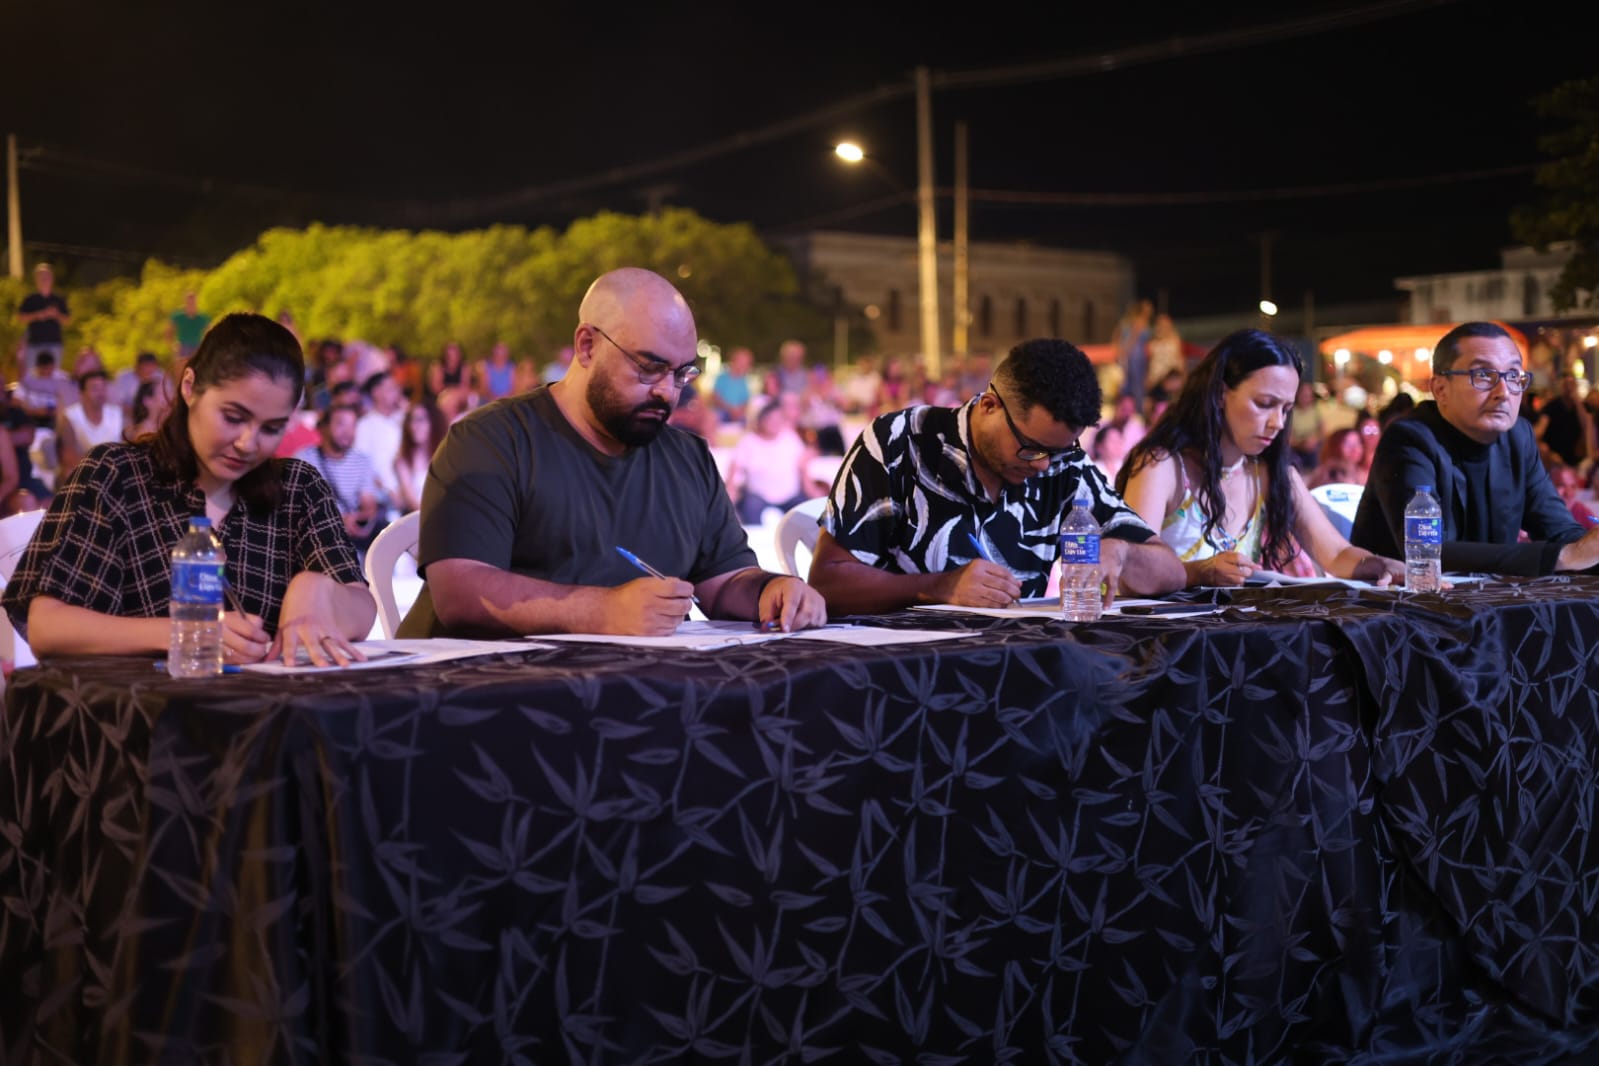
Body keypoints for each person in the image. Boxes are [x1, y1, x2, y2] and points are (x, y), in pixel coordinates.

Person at [396, 267, 827, 638]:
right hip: (476, 699)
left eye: (681, 374)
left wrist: (773, 591)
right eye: (649, 368)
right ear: (587, 346)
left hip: (633, 697)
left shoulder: (687, 458)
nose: (666, 391)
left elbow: (724, 581)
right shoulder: (490, 441)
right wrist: (603, 611)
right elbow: (461, 591)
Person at [0, 312, 374, 665]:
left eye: (271, 428)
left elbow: (362, 607)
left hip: (274, 719)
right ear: (190, 387)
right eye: (233, 417)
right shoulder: (116, 475)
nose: (247, 443)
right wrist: (186, 633)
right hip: (135, 718)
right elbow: (48, 626)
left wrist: (315, 592)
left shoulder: (297, 487)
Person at [809, 338, 1186, 614]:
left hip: (1017, 668)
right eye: (1031, 448)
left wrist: (1121, 552)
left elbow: (1171, 570)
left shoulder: (1063, 465)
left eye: (1057, 452)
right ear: (989, 405)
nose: (1042, 465)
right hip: (903, 668)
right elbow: (827, 581)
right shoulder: (899, 441)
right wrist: (936, 587)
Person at [1118, 329, 1404, 587]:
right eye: (1265, 404)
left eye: (1285, 409)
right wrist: (1199, 572)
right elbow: (1131, 574)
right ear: (1219, 394)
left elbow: (1337, 553)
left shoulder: (1269, 474)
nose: (1277, 423)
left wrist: (1379, 565)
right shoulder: (1163, 466)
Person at [1351, 321, 1599, 576]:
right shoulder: (1409, 440)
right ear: (1440, 389)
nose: (1503, 392)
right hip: (1404, 604)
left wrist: (1588, 551)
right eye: (1482, 375)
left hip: (1489, 602)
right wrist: (1564, 556)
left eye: (1513, 376)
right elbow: (1426, 551)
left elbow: (1560, 531)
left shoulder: (1518, 437)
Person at [295, 404, 389, 555]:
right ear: (324, 427)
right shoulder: (304, 459)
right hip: (316, 535)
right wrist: (338, 520)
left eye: (353, 425)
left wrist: (359, 521)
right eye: (340, 424)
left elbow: (368, 503)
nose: (348, 432)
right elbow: (300, 506)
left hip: (352, 536)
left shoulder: (362, 461)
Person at [725, 400, 812, 524]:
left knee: (806, 512)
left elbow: (803, 465)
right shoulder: (748, 441)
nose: (774, 423)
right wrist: (728, 500)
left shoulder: (790, 437)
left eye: (778, 419)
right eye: (770, 419)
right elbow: (734, 471)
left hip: (790, 495)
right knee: (750, 507)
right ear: (761, 420)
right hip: (758, 497)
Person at [55, 369, 125, 481]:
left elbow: (126, 449)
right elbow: (67, 456)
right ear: (82, 393)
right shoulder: (70, 417)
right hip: (82, 470)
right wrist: (98, 471)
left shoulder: (118, 414)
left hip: (115, 471)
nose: (100, 393)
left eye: (103, 388)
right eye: (95, 389)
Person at [15, 263, 71, 373]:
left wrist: (56, 315)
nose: (44, 279)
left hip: (54, 344)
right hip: (34, 345)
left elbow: (67, 320)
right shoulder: (30, 299)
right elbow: (20, 318)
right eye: (41, 277)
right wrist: (39, 315)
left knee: (53, 376)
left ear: (52, 279)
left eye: (47, 276)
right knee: (32, 375)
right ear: (36, 279)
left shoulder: (59, 299)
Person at [393, 399, 446, 514]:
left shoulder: (446, 456)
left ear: (434, 422)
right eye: (411, 420)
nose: (414, 426)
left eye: (421, 420)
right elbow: (411, 501)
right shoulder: (403, 460)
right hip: (419, 518)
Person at [167, 292, 211, 363]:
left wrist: (204, 346)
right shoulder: (178, 317)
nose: (191, 304)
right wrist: (172, 346)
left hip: (197, 346)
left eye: (193, 302)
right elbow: (168, 333)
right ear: (185, 302)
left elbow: (209, 333)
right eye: (189, 302)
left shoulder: (203, 318)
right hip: (182, 346)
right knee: (181, 368)